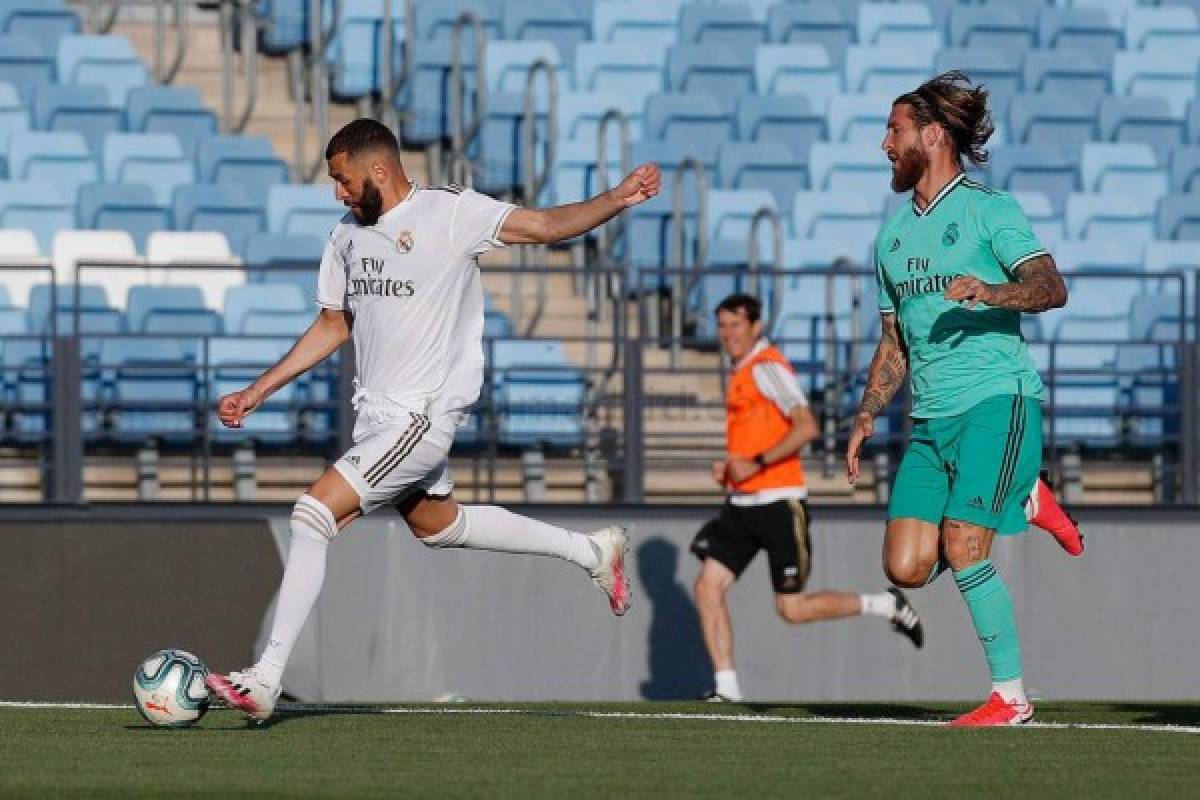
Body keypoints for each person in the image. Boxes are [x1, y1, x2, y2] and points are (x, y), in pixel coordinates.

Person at [205, 119, 661, 721]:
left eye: (342, 180)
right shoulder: (345, 236)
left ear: (378, 170)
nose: (336, 193)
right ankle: (592, 551)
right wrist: (259, 389)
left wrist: (615, 199)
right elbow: (332, 325)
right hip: (377, 421)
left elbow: (544, 226)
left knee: (312, 516)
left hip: (420, 420)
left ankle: (265, 679)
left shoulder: (450, 214)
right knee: (438, 526)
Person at [846, 72, 1076, 727]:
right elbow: (894, 342)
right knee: (906, 565)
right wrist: (866, 414)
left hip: (994, 402)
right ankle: (1025, 495)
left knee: (965, 543)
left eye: (894, 130)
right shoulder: (890, 239)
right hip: (929, 420)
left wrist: (991, 291)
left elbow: (1051, 286)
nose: (884, 144)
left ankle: (1011, 696)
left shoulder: (988, 209)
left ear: (934, 135)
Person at [692, 293, 924, 703]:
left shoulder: (767, 367)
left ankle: (884, 605)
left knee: (792, 609)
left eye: (735, 325)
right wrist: (732, 468)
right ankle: (726, 689)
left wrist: (757, 461)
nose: (727, 334)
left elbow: (806, 426)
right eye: (722, 325)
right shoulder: (742, 369)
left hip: (779, 503)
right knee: (708, 587)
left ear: (755, 326)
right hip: (742, 505)